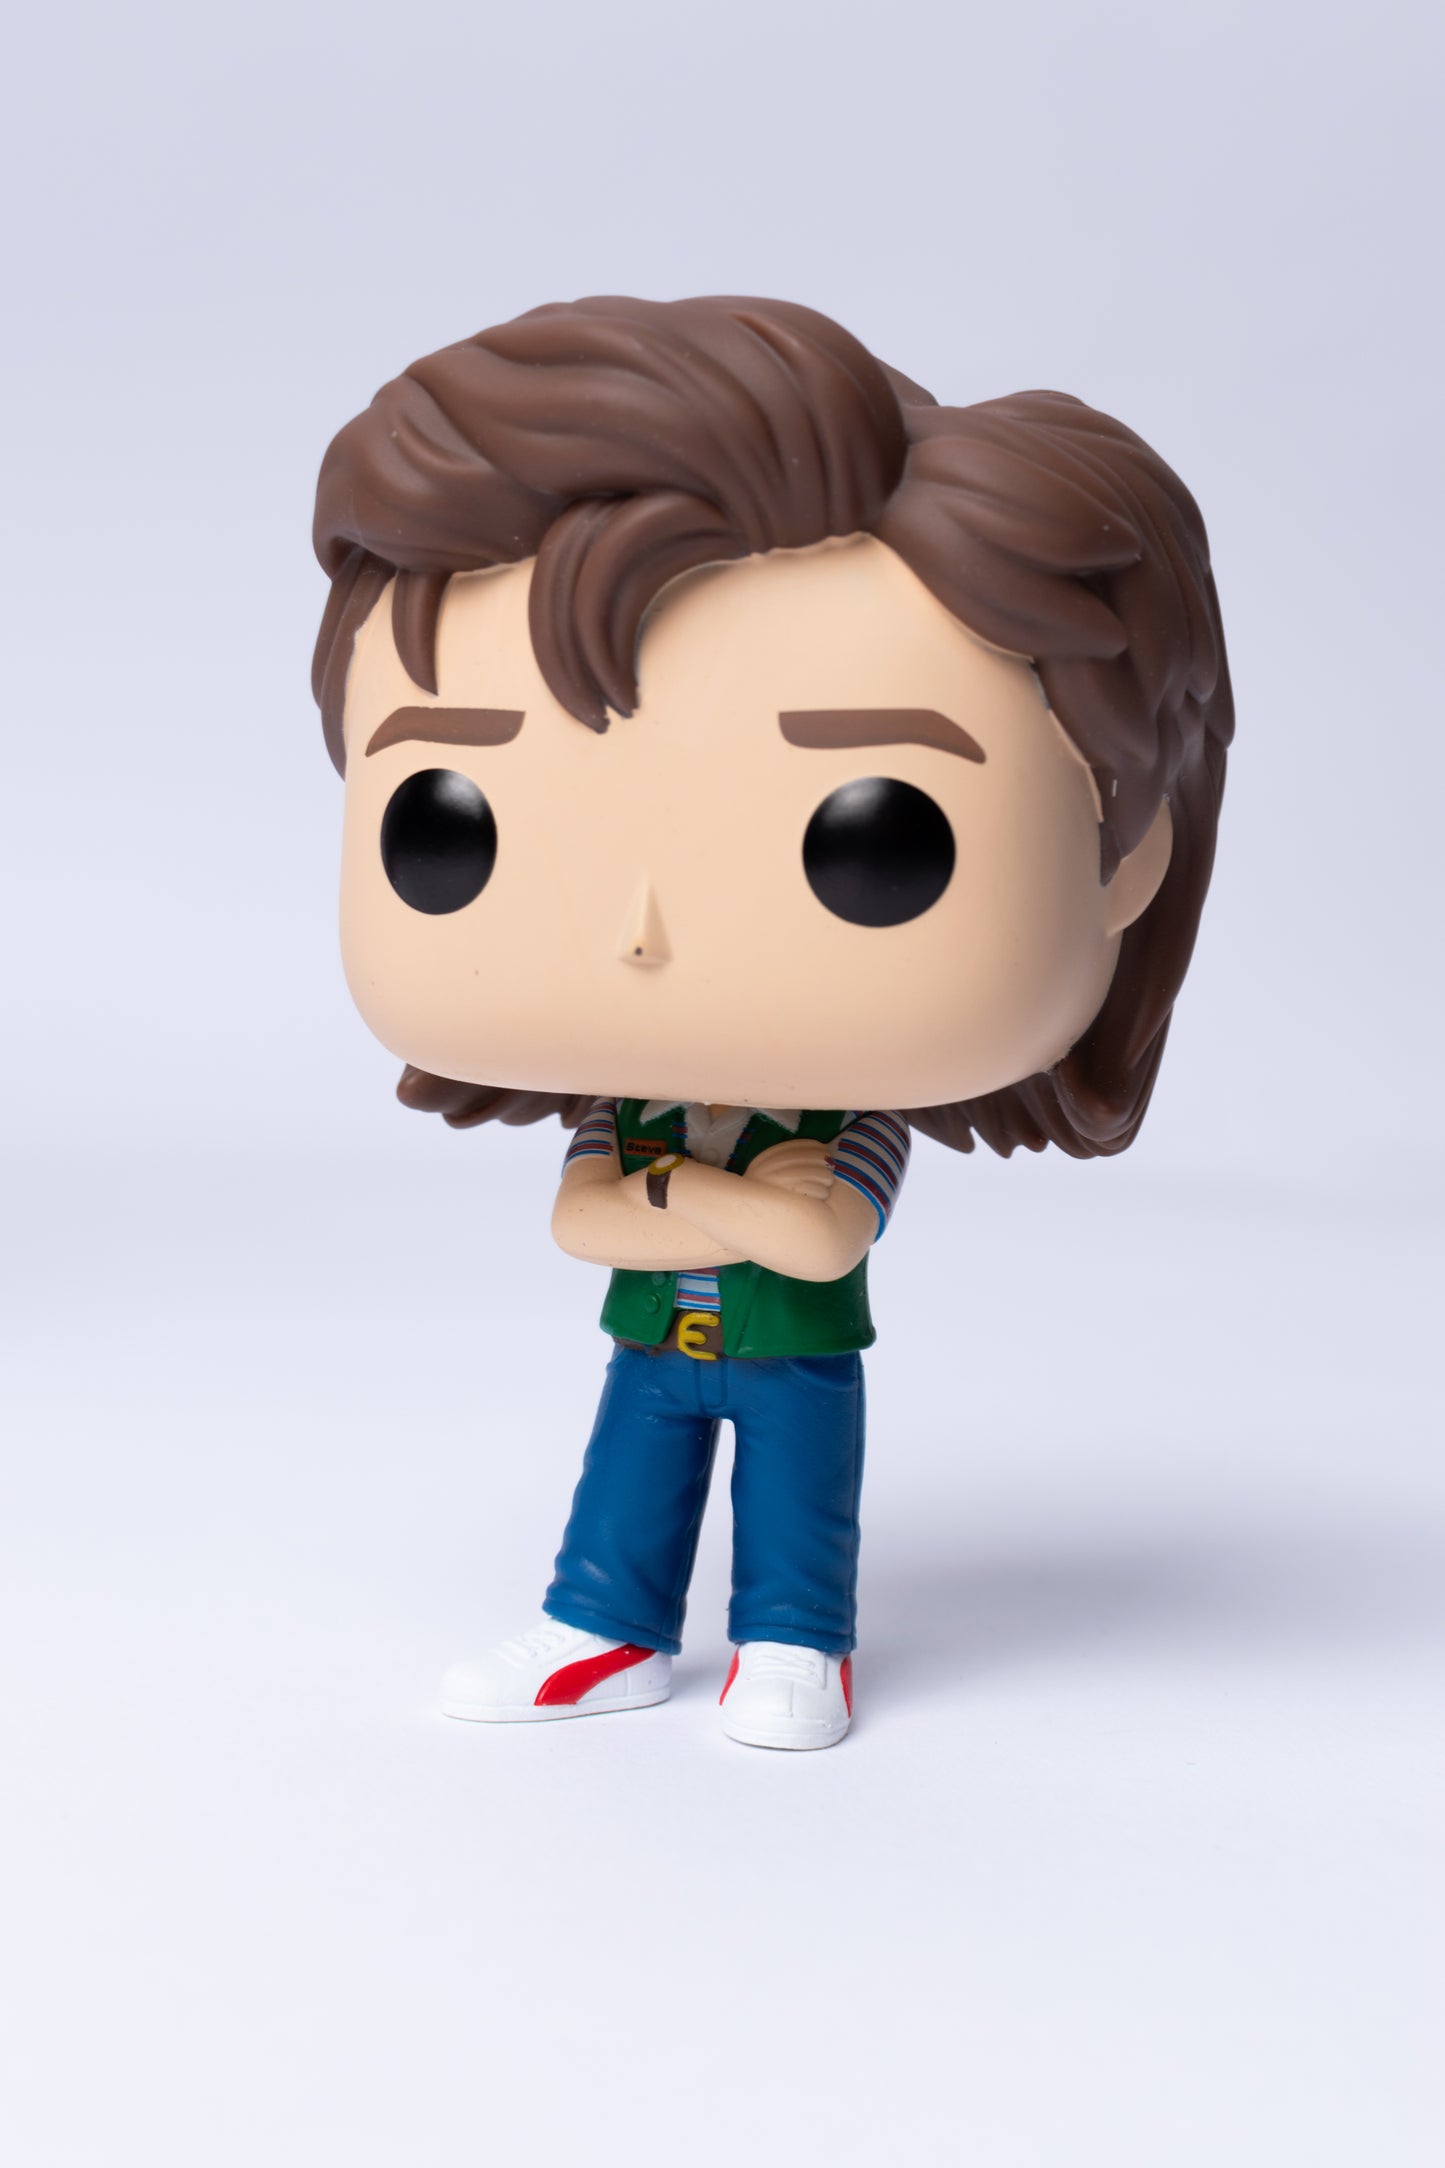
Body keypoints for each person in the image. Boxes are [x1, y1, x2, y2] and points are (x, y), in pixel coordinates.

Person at [312, 295, 1233, 1748]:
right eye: (449, 822)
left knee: (800, 1497)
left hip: (798, 1355)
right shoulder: (648, 1112)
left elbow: (824, 1240)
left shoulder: (827, 1118)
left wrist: (668, 1198)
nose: (641, 933)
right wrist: (733, 1200)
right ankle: (603, 1625)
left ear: (1124, 858)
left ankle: (797, 1641)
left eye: (876, 839)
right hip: (658, 1352)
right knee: (627, 1486)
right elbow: (591, 1224)